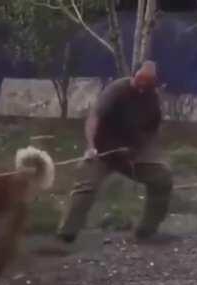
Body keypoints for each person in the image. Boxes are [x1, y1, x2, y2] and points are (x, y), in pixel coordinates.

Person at [57, 60, 173, 242]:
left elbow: (152, 130)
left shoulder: (152, 98)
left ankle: (146, 230)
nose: (144, 84)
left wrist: (142, 150)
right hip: (102, 151)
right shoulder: (116, 90)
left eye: (149, 81)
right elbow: (94, 118)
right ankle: (67, 234)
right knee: (85, 186)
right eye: (141, 79)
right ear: (133, 75)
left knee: (162, 177)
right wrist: (91, 147)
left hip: (129, 154)